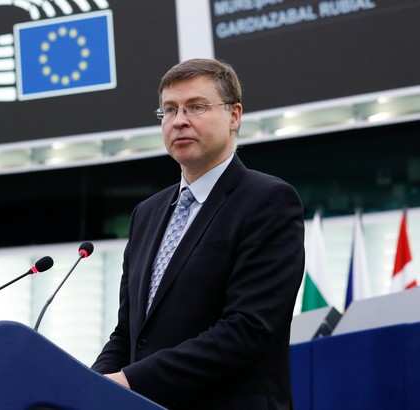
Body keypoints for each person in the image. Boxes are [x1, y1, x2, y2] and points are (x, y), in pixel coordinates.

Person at [91, 58, 305, 409]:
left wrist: (131, 380)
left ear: (234, 115)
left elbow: (247, 328)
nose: (179, 121)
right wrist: (88, 385)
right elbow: (128, 333)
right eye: (169, 110)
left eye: (196, 107)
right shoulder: (146, 214)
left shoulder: (268, 200)